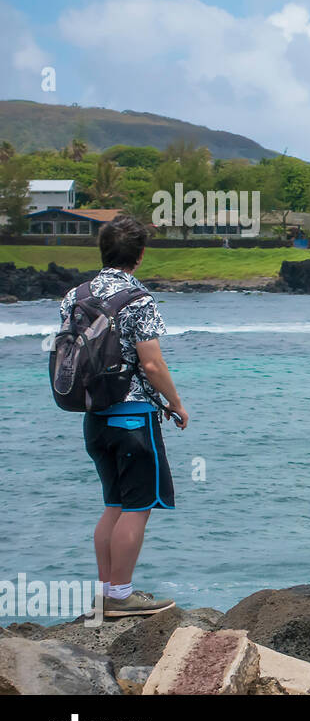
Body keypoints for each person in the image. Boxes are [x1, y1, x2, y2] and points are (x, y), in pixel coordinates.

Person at [60, 215, 190, 618]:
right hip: (133, 420)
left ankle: (106, 591)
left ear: (102, 250)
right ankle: (120, 596)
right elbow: (151, 364)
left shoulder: (73, 296)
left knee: (113, 504)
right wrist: (176, 403)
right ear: (141, 254)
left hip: (94, 418)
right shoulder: (138, 299)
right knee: (136, 506)